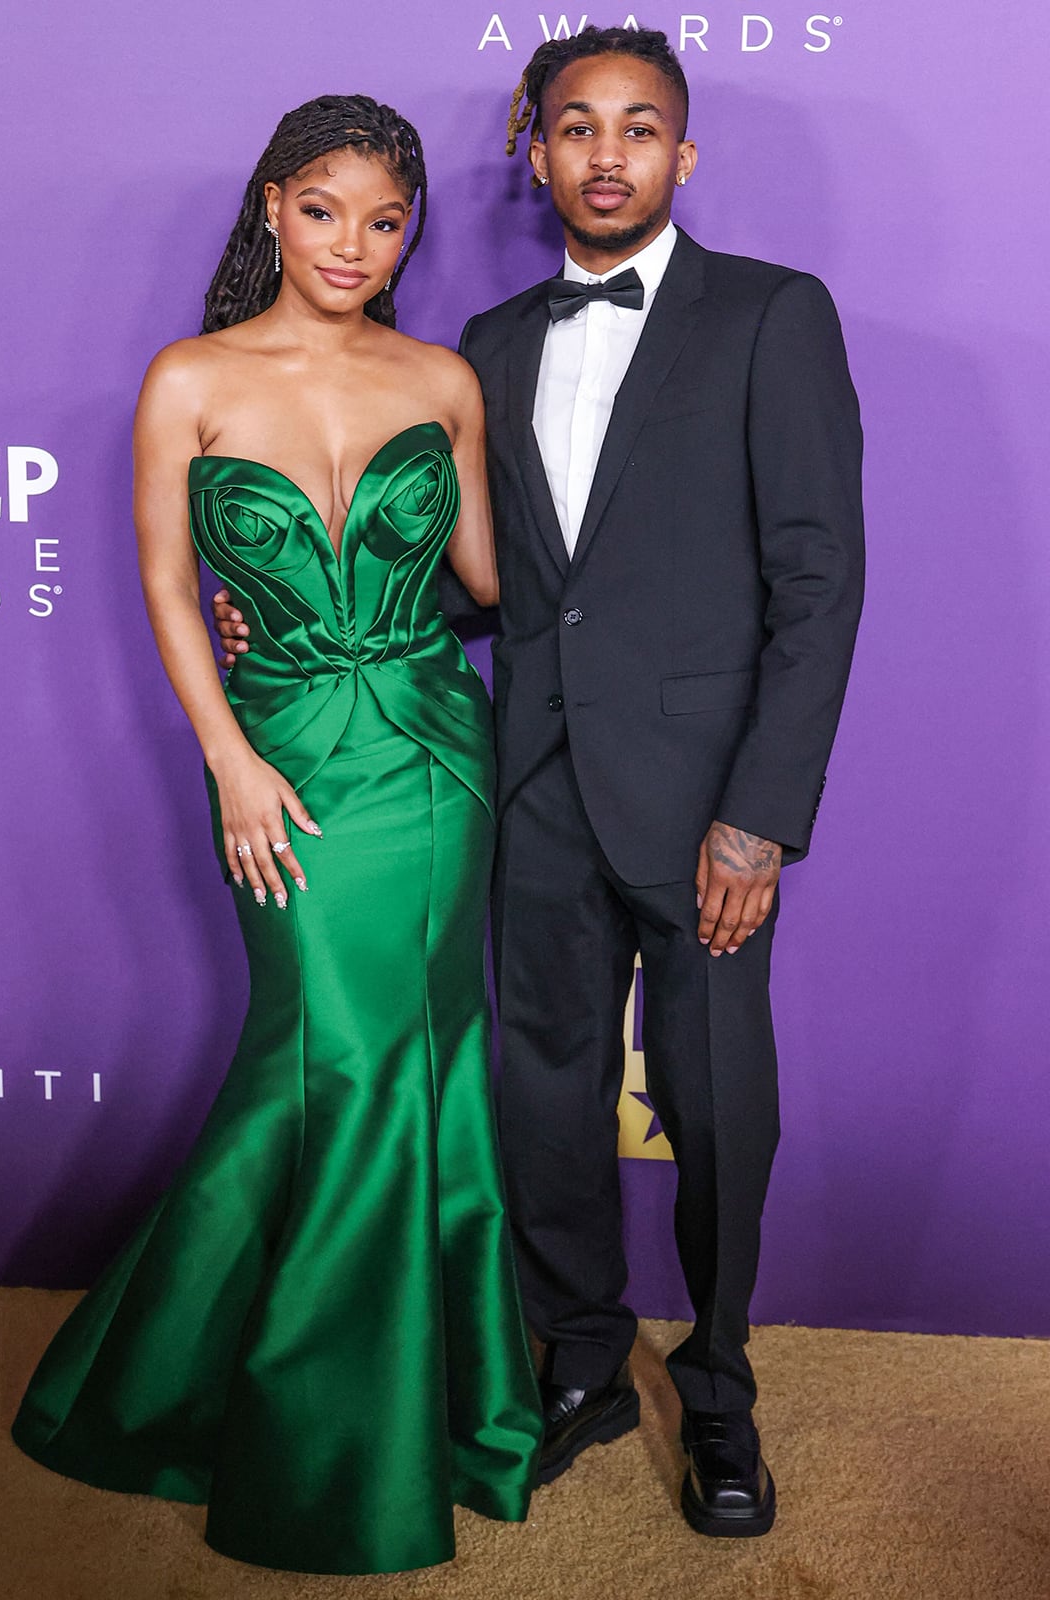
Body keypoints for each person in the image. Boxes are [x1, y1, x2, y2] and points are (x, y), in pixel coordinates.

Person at [216, 25, 866, 1542]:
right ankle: (577, 1357)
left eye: (641, 129)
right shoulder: (486, 350)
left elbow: (818, 583)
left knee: (715, 1107)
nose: (607, 155)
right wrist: (287, 610)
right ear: (537, 149)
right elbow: (487, 588)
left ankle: (718, 1393)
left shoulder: (774, 316)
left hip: (709, 803)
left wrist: (761, 816)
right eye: (577, 128)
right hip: (525, 790)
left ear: (681, 156)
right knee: (542, 1093)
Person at [12, 95, 541, 1577]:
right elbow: (175, 594)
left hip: (435, 758)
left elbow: (486, 576)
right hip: (286, 758)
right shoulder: (188, 378)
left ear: (412, 228)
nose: (353, 245)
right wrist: (234, 759)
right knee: (334, 1057)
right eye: (324, 212)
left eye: (385, 219)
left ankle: (395, 1410)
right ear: (269, 208)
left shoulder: (443, 378)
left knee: (416, 1064)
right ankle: (295, 1421)